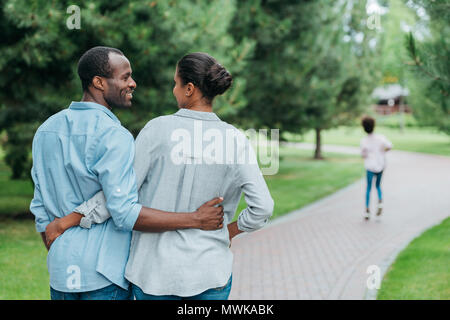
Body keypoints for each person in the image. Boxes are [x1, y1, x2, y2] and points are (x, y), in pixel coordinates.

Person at [47, 52, 274, 300]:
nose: (173, 89)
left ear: (189, 89)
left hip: (154, 275)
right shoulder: (235, 140)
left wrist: (69, 220)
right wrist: (229, 231)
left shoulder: (157, 130)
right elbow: (262, 207)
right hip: (210, 273)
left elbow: (119, 194)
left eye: (175, 83)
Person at [360, 116, 393, 220]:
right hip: (380, 164)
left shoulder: (364, 141)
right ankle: (380, 201)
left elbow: (363, 155)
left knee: (368, 188)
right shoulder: (380, 138)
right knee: (378, 186)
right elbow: (389, 146)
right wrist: (383, 151)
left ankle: (367, 210)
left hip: (370, 166)